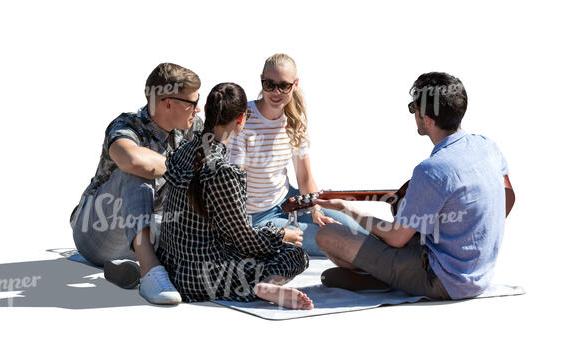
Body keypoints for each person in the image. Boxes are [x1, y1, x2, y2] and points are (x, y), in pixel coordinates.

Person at [315, 72, 513, 300]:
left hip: (442, 280)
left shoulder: (432, 170)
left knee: (327, 235)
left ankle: (385, 278)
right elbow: (506, 198)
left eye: (413, 108)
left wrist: (345, 208)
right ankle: (382, 275)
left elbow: (396, 237)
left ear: (427, 119)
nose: (413, 114)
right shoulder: (488, 146)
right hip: (480, 274)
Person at [157, 82, 313, 310]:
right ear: (241, 119)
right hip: (202, 277)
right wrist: (281, 235)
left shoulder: (183, 149)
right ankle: (265, 285)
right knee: (295, 254)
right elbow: (245, 240)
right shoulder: (223, 171)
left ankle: (263, 285)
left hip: (172, 267)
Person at [69, 62, 204, 304]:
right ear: (168, 103)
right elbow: (130, 159)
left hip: (153, 227)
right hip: (99, 230)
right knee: (137, 170)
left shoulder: (193, 130)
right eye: (192, 103)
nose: (198, 108)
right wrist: (184, 167)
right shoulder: (126, 125)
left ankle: (128, 269)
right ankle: (150, 271)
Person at [228, 53, 365, 256]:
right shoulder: (243, 118)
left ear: (295, 84)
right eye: (269, 84)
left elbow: (305, 177)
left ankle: (406, 248)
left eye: (283, 86)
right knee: (336, 240)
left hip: (289, 201)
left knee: (352, 225)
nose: (276, 91)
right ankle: (393, 262)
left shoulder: (294, 118)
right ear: (261, 80)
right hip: (256, 217)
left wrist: (315, 210)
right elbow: (233, 181)